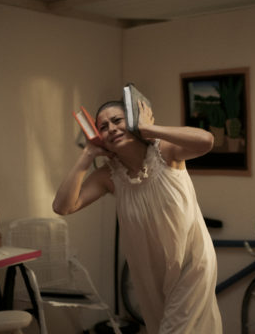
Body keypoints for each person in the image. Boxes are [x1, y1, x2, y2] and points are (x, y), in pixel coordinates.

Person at [53, 99, 223, 334]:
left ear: (133, 121)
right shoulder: (109, 176)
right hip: (148, 272)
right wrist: (88, 153)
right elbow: (63, 206)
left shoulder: (165, 152)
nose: (111, 129)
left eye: (117, 121)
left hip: (190, 264)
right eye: (103, 127)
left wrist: (149, 129)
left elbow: (206, 141)